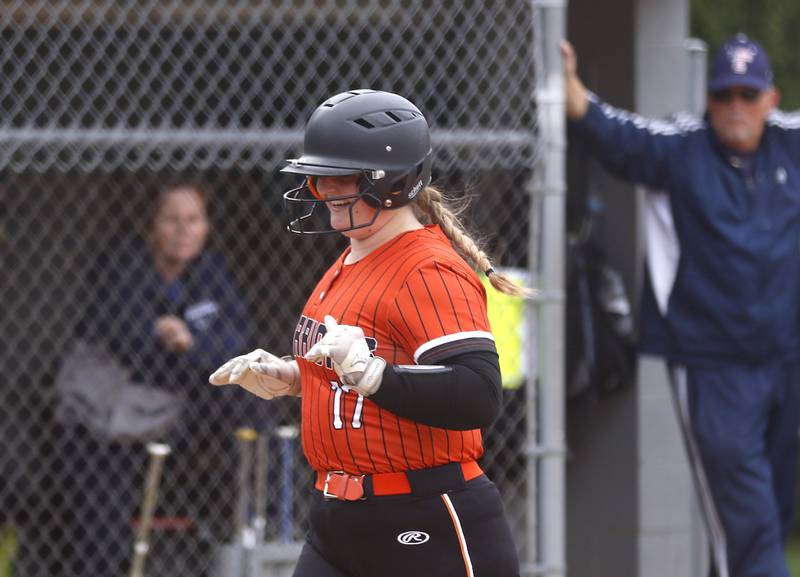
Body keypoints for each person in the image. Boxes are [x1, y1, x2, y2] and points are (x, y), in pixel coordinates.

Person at [210, 89, 524, 577]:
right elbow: (366, 362)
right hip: (338, 517)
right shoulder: (354, 252)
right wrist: (295, 376)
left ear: (395, 182)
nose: (327, 189)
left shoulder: (427, 269)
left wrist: (373, 375)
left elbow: (478, 394)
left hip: (422, 516)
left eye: (345, 177)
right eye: (322, 176)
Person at [562, 34, 800, 577]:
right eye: (724, 95)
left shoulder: (790, 142)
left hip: (785, 360)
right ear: (709, 100)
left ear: (770, 99)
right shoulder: (682, 149)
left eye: (748, 94)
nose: (736, 106)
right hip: (713, 365)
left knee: (771, 513)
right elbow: (609, 130)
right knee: (746, 527)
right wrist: (569, 81)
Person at [35, 182, 257, 577]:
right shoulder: (123, 267)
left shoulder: (211, 271)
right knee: (101, 517)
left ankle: (253, 524)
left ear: (206, 227)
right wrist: (171, 344)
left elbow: (236, 343)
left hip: (187, 418)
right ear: (151, 227)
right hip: (112, 428)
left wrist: (187, 343)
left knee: (251, 400)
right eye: (171, 220)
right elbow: (122, 340)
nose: (182, 230)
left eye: (193, 220)